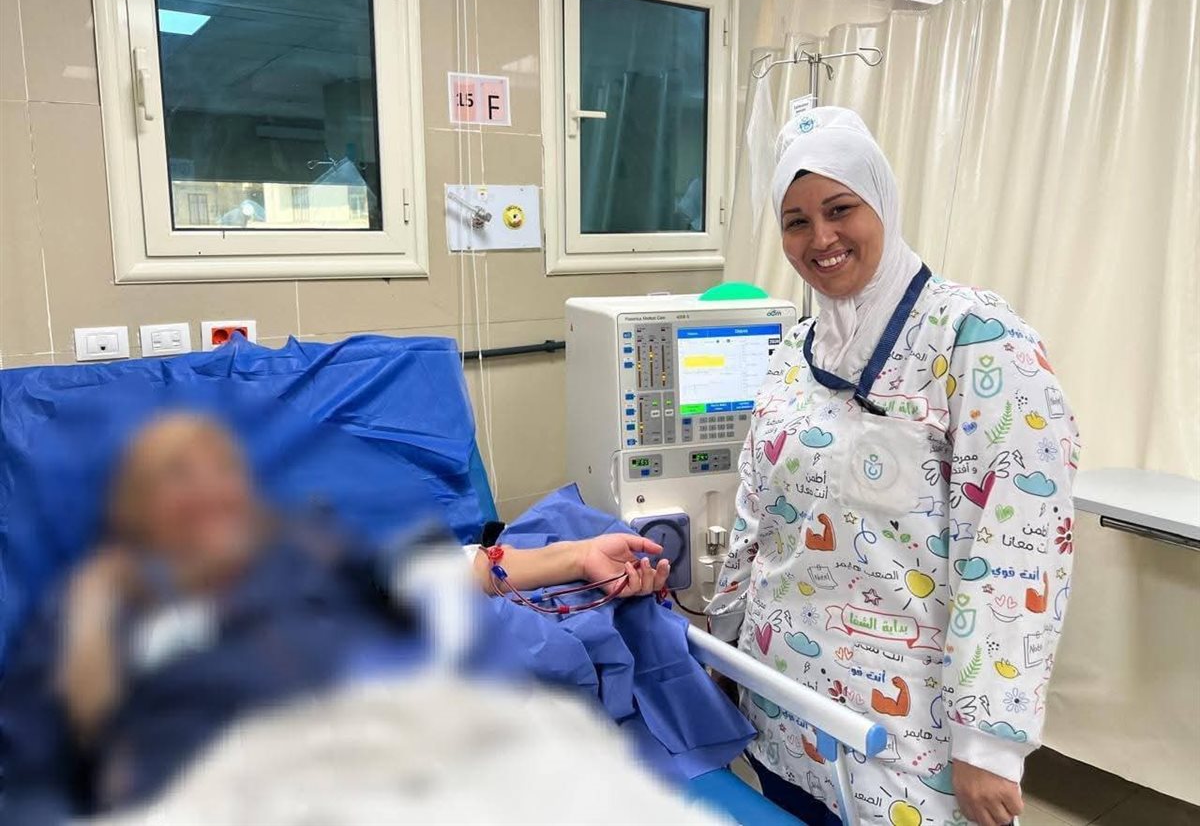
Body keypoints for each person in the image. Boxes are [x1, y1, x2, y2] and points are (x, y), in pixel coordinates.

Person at [0, 413, 670, 820]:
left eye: (219, 472)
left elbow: (452, 570)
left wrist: (576, 554)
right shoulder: (102, 605)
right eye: (178, 476)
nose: (208, 492)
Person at [708, 108, 1079, 826]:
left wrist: (989, 743)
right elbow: (756, 518)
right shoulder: (794, 354)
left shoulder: (978, 342)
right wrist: (724, 655)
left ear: (882, 201)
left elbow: (1014, 548)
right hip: (782, 709)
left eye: (840, 208)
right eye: (796, 220)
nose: (821, 238)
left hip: (910, 742)